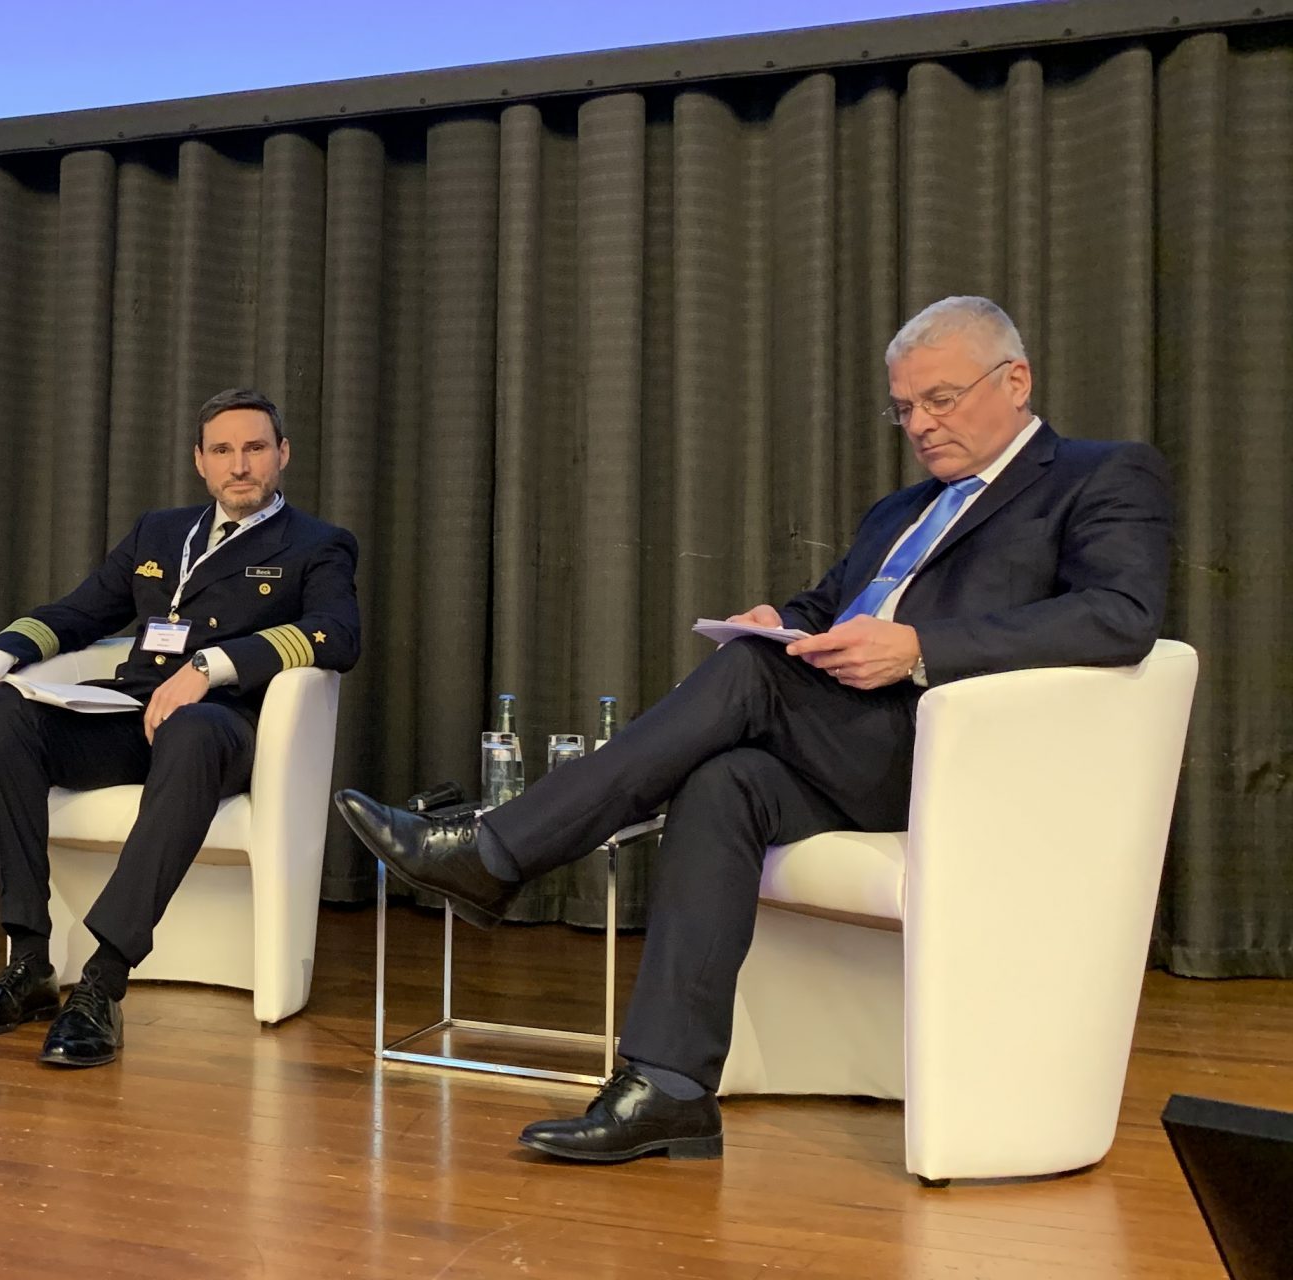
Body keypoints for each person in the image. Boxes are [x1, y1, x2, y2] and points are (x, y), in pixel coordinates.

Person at [338, 296, 1173, 1163]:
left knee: (746, 678)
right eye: (904, 408)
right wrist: (783, 618)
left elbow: (1122, 615)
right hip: (855, 749)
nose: (920, 425)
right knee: (721, 782)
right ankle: (670, 1088)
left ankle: (494, 852)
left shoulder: (1102, 474)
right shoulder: (899, 511)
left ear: (1016, 380)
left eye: (941, 399)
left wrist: (922, 648)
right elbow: (832, 606)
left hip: (964, 757)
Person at [0, 388, 362, 1067]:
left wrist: (212, 665)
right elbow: (80, 612)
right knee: (5, 716)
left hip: (224, 728)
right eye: (222, 451)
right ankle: (29, 964)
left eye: (255, 448)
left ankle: (103, 983)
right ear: (201, 462)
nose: (240, 466)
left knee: (194, 729)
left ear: (281, 455)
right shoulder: (160, 533)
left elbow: (337, 635)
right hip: (129, 717)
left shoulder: (317, 545)